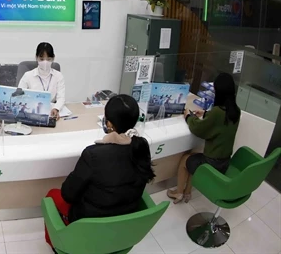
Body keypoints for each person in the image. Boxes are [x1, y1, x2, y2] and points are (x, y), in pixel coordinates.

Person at [44, 95, 155, 249]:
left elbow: (67, 194)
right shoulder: (142, 147)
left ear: (109, 123)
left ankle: (59, 247)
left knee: (52, 195)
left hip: (89, 223)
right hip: (124, 222)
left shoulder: (93, 154)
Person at [167, 73, 240, 204]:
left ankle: (178, 193)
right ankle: (188, 193)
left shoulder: (217, 112)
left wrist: (188, 117)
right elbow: (220, 124)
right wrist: (206, 113)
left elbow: (197, 129)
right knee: (194, 157)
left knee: (185, 160)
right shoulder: (235, 111)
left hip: (212, 164)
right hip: (224, 162)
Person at [18, 42, 66, 118]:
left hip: (51, 113)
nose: (45, 62)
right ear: (36, 57)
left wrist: (56, 108)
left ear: (53, 58)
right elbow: (19, 96)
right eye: (42, 59)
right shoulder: (27, 76)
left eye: (48, 59)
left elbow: (61, 97)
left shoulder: (58, 76)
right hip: (31, 113)